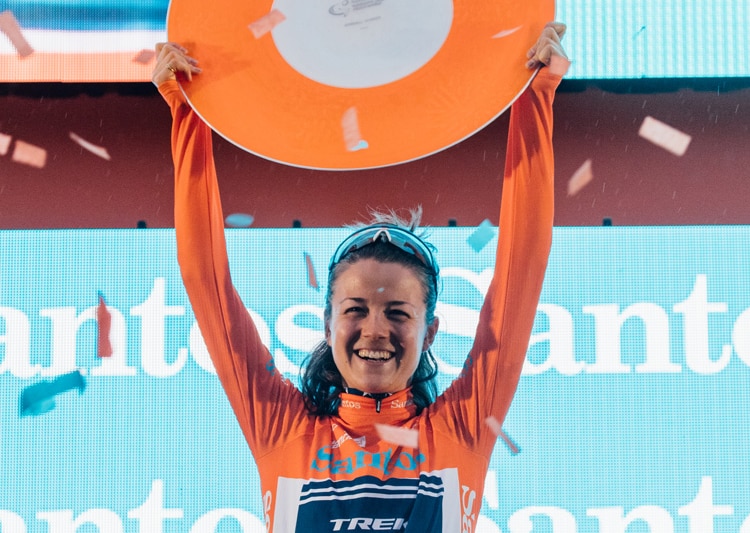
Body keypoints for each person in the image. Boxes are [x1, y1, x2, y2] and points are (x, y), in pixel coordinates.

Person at [153, 22, 567, 532]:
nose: (375, 330)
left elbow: (522, 269)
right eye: (356, 310)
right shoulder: (282, 431)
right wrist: (186, 113)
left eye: (398, 313)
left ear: (430, 330)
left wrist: (534, 97)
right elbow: (203, 278)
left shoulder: (461, 428)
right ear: (327, 323)